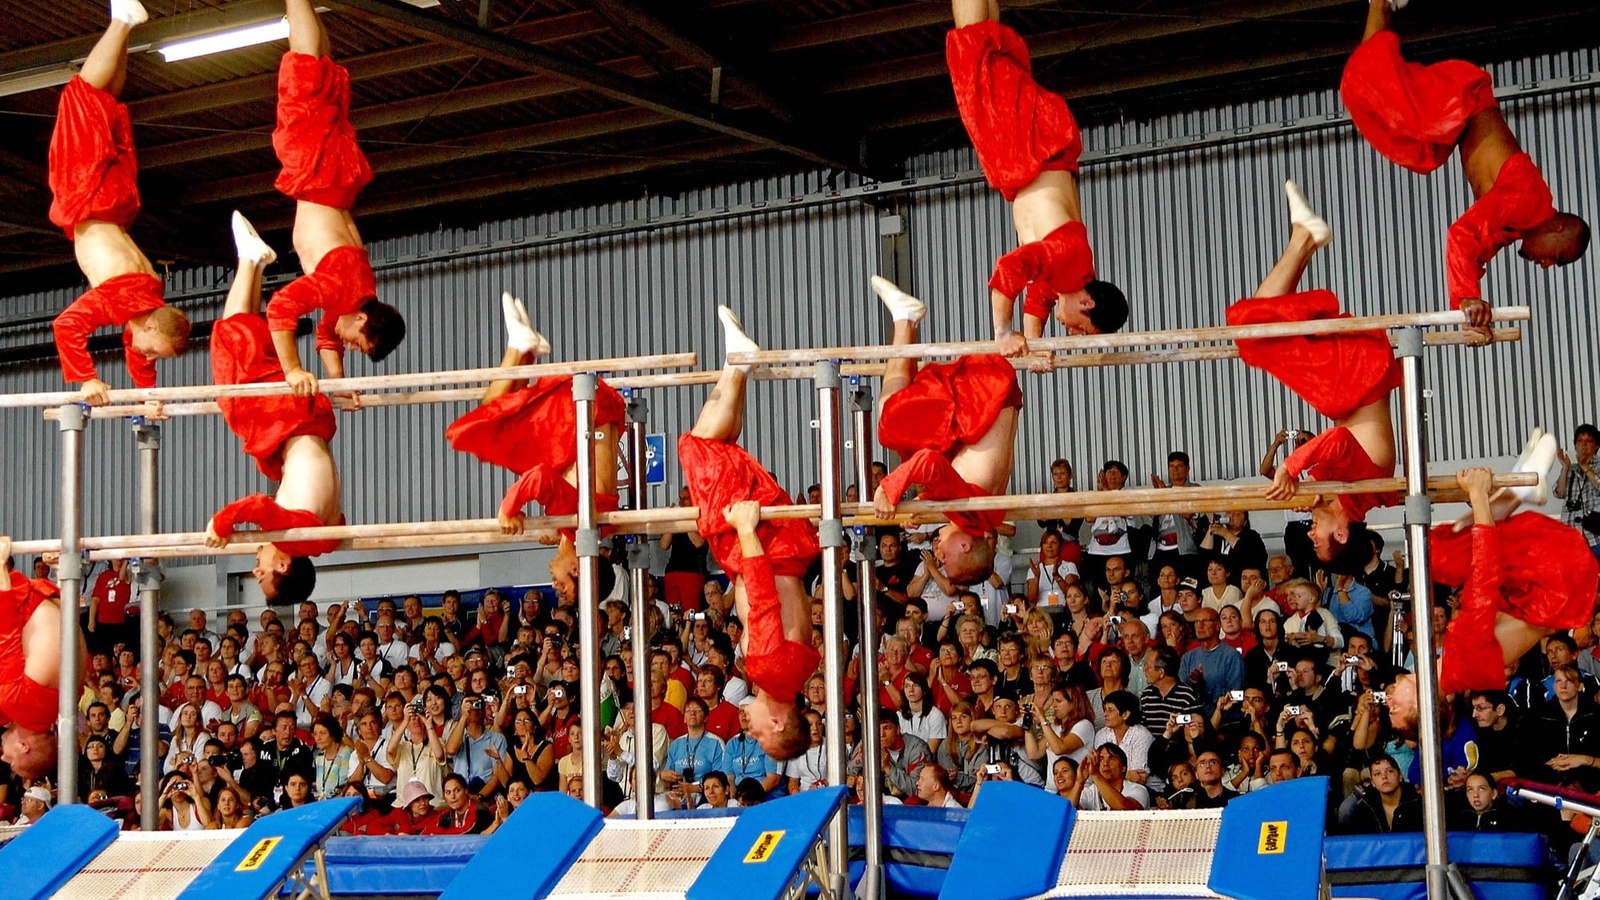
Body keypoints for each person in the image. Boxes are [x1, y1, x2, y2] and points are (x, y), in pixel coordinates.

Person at [1340, 0, 1589, 342]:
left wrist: (1474, 312)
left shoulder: (1515, 224)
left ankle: (1378, 5)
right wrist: (1464, 298)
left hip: (1455, 120)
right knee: (1376, 92)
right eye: (1557, 257)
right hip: (1461, 98)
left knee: (1390, 121)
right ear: (1558, 225)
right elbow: (1461, 235)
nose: (1547, 265)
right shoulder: (1529, 201)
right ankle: (1381, 3)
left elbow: (1473, 253)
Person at [945, 0, 1128, 368]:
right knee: (971, 51)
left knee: (989, 45)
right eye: (1083, 330)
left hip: (1043, 139)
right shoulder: (1067, 260)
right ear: (1088, 304)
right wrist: (1003, 332)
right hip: (1023, 144)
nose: (1074, 335)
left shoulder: (1072, 273)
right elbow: (1008, 271)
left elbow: (1038, 296)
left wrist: (1030, 347)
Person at [1231, 182, 1401, 571]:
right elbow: (1339, 440)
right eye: (1319, 542)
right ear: (1342, 534)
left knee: (1253, 333)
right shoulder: (1370, 489)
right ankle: (1302, 239)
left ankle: (1303, 241)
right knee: (1252, 333)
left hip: (1349, 381)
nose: (1309, 536)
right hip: (1358, 373)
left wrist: (1311, 489)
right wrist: (1290, 466)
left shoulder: (1344, 497)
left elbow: (1330, 456)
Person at [676, 307, 821, 761]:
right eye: (761, 736)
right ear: (778, 721)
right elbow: (761, 598)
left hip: (782, 550)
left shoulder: (797, 674)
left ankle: (736, 363)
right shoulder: (770, 669)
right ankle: (738, 362)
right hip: (758, 544)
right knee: (698, 448)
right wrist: (745, 529)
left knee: (715, 447)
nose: (751, 732)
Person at [46, 0, 190, 406]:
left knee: (103, 104)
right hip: (86, 195)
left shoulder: (150, 298)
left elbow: (135, 346)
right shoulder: (121, 301)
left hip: (118, 202)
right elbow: (66, 326)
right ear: (153, 328)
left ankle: (125, 25)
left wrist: (148, 395)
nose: (145, 354)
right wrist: (85, 379)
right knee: (81, 98)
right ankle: (122, 20)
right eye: (152, 349)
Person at [265, 0, 405, 400]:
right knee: (303, 75)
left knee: (321, 74)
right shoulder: (338, 290)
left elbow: (329, 334)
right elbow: (280, 310)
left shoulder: (356, 294)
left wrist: (339, 383)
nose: (352, 346)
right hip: (317, 173)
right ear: (362, 319)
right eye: (361, 342)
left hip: (339, 178)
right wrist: (292, 370)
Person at [1387, 468, 1599, 731]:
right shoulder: (1462, 661)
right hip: (1554, 580)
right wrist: (1477, 494)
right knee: (1441, 556)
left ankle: (1515, 497)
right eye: (1394, 710)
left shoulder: (1455, 668)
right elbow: (1485, 574)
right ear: (1420, 705)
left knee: (1438, 556)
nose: (1388, 702)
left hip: (1536, 591)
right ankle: (1509, 498)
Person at [446, 293, 626, 596]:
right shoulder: (581, 520)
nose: (553, 585)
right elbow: (540, 478)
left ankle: (524, 350)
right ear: (577, 568)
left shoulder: (590, 528)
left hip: (594, 417)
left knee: (505, 423)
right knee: (482, 429)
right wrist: (509, 509)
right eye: (563, 587)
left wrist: (558, 532)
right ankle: (519, 346)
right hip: (584, 409)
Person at [202, 214, 340, 606]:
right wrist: (220, 523)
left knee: (249, 346)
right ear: (283, 567)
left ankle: (255, 262)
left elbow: (335, 532)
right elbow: (257, 506)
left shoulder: (323, 538)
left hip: (307, 421)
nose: (255, 569)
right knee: (229, 366)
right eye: (262, 576)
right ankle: (248, 260)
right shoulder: (291, 535)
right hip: (287, 422)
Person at [870, 277, 1020, 585]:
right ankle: (905, 319)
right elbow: (930, 463)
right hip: (983, 389)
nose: (938, 556)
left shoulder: (986, 517)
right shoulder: (969, 512)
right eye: (946, 559)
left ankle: (906, 321)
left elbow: (954, 477)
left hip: (994, 395)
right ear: (965, 545)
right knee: (890, 420)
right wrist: (890, 487)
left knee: (905, 438)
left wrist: (927, 503)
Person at [0, 538, 73, 780]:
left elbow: (69, 628)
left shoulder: (67, 703)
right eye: (10, 762)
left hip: (51, 597)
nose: (2, 757)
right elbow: (6, 632)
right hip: (23, 597)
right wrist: (2, 568)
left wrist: (63, 573)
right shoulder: (17, 703)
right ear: (24, 747)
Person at [1556, 424, 1600, 561]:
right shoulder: (1571, 469)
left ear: (1597, 446)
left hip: (1596, 537)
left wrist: (1585, 467)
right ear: (1575, 445)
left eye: (1589, 441)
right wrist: (1565, 468)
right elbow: (1560, 493)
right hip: (1572, 537)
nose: (1583, 445)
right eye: (1580, 441)